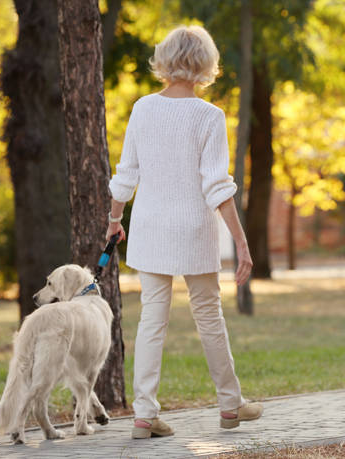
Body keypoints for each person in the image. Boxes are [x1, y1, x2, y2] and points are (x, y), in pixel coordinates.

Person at [106, 25, 263, 439]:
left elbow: (126, 175)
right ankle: (230, 406)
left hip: (150, 228)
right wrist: (242, 243)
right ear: (205, 64)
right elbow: (217, 186)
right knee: (209, 316)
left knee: (152, 320)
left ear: (165, 58)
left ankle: (143, 415)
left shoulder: (142, 108)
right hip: (194, 228)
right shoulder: (209, 116)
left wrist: (114, 220)